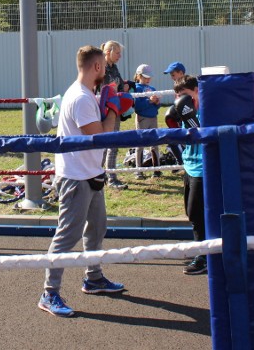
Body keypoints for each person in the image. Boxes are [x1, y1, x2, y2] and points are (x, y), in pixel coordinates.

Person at [38, 45, 125, 318]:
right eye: (104, 68)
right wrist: (114, 109)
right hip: (76, 177)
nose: (106, 74)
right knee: (68, 236)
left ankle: (94, 277)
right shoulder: (81, 98)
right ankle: (49, 292)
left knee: (97, 228)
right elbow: (100, 136)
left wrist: (107, 102)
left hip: (90, 172)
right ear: (97, 67)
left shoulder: (86, 94)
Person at [166, 74, 207, 275]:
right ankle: (202, 250)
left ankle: (204, 255)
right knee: (192, 213)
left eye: (185, 95)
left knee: (198, 214)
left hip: (203, 169)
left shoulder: (209, 111)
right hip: (190, 165)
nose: (181, 100)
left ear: (197, 91)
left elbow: (204, 136)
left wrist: (192, 120)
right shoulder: (184, 111)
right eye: (178, 96)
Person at [99, 40, 129, 190]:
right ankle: (106, 176)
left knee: (112, 143)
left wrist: (124, 87)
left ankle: (107, 175)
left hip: (114, 108)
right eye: (117, 53)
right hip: (103, 110)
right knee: (105, 143)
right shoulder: (100, 67)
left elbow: (119, 85)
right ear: (108, 52)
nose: (120, 56)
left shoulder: (114, 67)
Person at [132, 64, 162, 180]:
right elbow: (137, 107)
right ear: (139, 76)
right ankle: (138, 171)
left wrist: (157, 102)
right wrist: (149, 101)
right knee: (140, 144)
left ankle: (157, 169)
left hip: (153, 118)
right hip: (142, 119)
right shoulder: (136, 88)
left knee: (155, 144)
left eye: (149, 77)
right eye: (145, 77)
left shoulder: (153, 89)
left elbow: (157, 107)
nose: (148, 79)